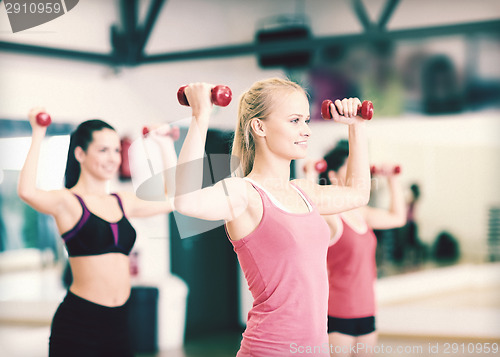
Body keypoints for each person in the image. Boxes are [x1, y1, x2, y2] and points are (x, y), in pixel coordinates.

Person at [174, 78, 371, 356]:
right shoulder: (245, 193)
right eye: (294, 121)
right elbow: (186, 200)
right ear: (259, 126)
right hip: (270, 349)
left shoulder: (303, 192)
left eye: (306, 121)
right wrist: (200, 116)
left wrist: (357, 127)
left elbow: (359, 194)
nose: (305, 131)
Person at [17, 107, 176, 357]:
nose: (113, 158)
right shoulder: (67, 202)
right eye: (103, 150)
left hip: (121, 322)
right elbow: (27, 191)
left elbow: (173, 200)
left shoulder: (122, 200)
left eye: (115, 150)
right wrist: (38, 132)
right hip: (79, 324)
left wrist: (165, 145)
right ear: (80, 153)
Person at [306, 140, 406, 357]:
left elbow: (398, 218)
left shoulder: (363, 213)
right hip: (339, 312)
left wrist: (393, 180)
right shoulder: (330, 215)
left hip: (367, 310)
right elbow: (307, 213)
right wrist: (310, 176)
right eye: (351, 166)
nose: (359, 173)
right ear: (333, 175)